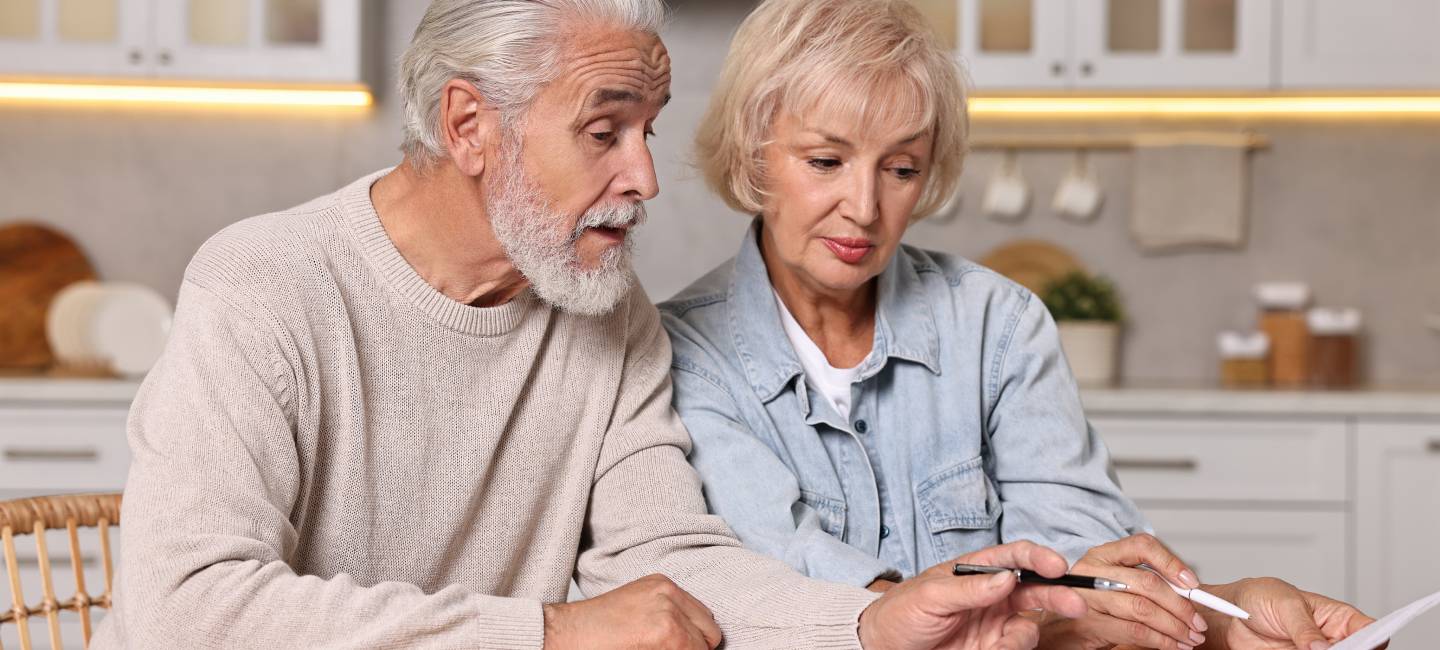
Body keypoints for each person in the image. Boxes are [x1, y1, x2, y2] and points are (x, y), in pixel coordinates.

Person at [91, 1, 1092, 648]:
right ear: (469, 126)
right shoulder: (264, 284)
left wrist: (872, 619)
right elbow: (192, 606)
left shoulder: (608, 316)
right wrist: (550, 630)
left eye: (646, 131)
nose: (645, 178)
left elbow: (668, 562)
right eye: (603, 131)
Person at [659, 1, 1378, 649]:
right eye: (825, 160)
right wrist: (1040, 613)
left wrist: (1227, 615)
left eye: (901, 169)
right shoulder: (681, 354)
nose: (865, 207)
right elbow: (777, 577)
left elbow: (1089, 568)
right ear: (755, 154)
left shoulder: (998, 324)